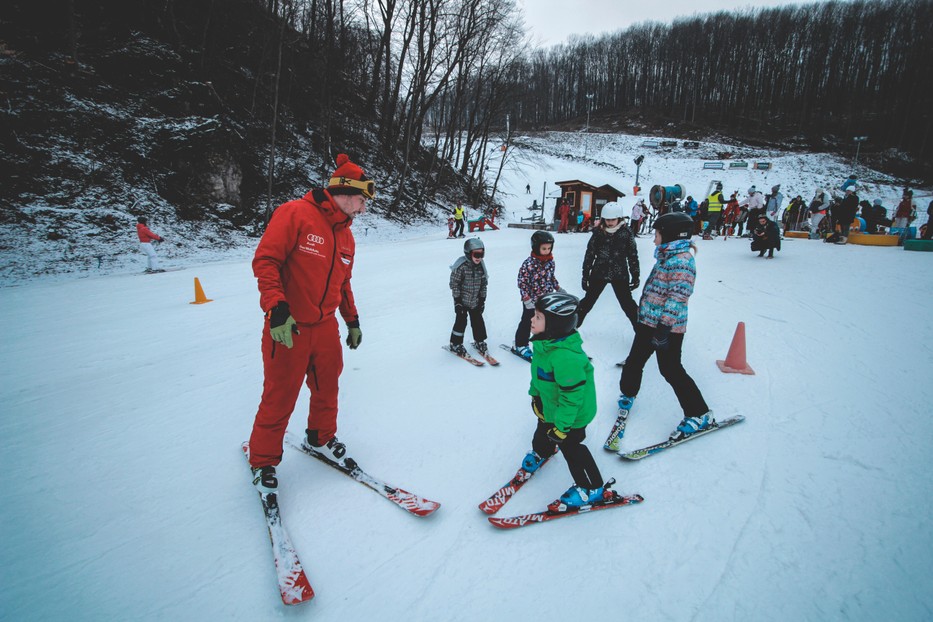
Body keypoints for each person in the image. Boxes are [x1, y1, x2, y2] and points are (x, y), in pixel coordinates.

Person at [247, 153, 372, 493]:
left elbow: (343, 283)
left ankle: (320, 437)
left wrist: (352, 319)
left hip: (325, 328)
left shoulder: (346, 236)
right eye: (362, 201)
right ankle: (262, 461)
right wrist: (276, 308)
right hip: (289, 327)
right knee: (280, 395)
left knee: (327, 388)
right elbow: (266, 261)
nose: (363, 209)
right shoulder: (295, 214)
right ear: (345, 193)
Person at [613, 212, 714, 445]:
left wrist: (663, 329)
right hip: (647, 322)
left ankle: (699, 413)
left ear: (670, 236)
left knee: (671, 369)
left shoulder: (682, 261)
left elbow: (678, 297)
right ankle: (628, 393)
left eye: (657, 234)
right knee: (635, 360)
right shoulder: (667, 256)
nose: (654, 239)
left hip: (666, 328)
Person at [521, 292, 617, 512]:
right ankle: (543, 451)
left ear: (554, 325)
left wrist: (562, 427)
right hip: (551, 405)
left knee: (571, 447)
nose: (532, 320)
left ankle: (592, 488)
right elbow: (538, 374)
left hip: (572, 415)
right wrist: (535, 396)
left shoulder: (566, 357)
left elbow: (572, 397)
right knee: (543, 428)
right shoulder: (544, 344)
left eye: (538, 317)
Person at [577, 202, 640, 329]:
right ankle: (569, 329)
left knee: (628, 305)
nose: (610, 222)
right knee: (587, 303)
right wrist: (585, 275)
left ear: (619, 218)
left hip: (619, 273)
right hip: (599, 272)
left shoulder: (626, 233)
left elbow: (632, 255)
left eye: (613, 220)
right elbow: (590, 254)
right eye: (607, 220)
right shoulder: (598, 232)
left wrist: (635, 275)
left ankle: (642, 333)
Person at [513, 230, 560, 361]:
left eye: (549, 248)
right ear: (536, 247)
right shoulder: (529, 264)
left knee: (546, 322)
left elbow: (551, 277)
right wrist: (526, 299)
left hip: (546, 298)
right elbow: (522, 282)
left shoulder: (550, 262)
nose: (547, 251)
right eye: (544, 248)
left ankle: (545, 343)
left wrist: (558, 288)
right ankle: (520, 344)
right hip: (531, 300)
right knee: (528, 321)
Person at [448, 237, 489, 356]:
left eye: (481, 254)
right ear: (468, 253)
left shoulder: (481, 267)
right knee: (461, 322)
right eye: (476, 254)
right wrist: (457, 301)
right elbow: (454, 284)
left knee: (478, 322)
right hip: (462, 301)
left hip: (475, 301)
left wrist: (482, 300)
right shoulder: (461, 267)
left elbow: (484, 285)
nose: (479, 257)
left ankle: (479, 341)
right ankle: (455, 344)